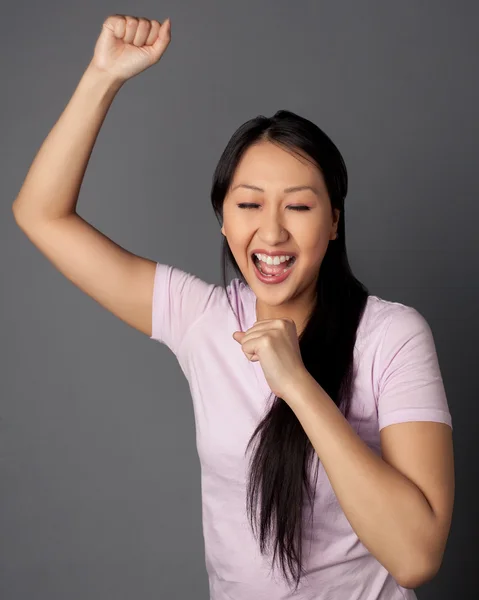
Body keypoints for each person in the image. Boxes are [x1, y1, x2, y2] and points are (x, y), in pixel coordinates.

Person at [12, 14, 454, 600]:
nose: (271, 234)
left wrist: (297, 385)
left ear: (334, 223)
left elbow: (416, 557)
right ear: (224, 220)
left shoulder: (391, 335)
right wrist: (103, 76)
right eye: (249, 205)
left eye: (298, 207)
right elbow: (40, 214)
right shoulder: (203, 319)